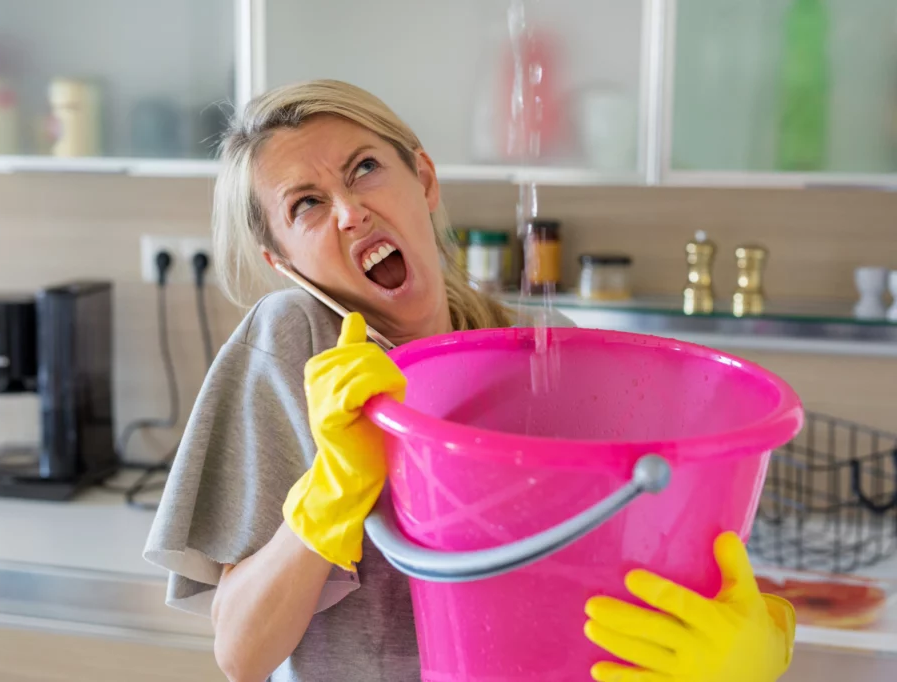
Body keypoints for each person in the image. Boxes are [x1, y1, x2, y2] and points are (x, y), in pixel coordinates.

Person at [143, 79, 795, 682]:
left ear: (422, 179)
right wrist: (331, 493)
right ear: (282, 260)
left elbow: (636, 554)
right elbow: (241, 653)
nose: (349, 212)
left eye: (365, 168)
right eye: (307, 205)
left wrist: (743, 657)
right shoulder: (298, 348)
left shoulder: (541, 345)